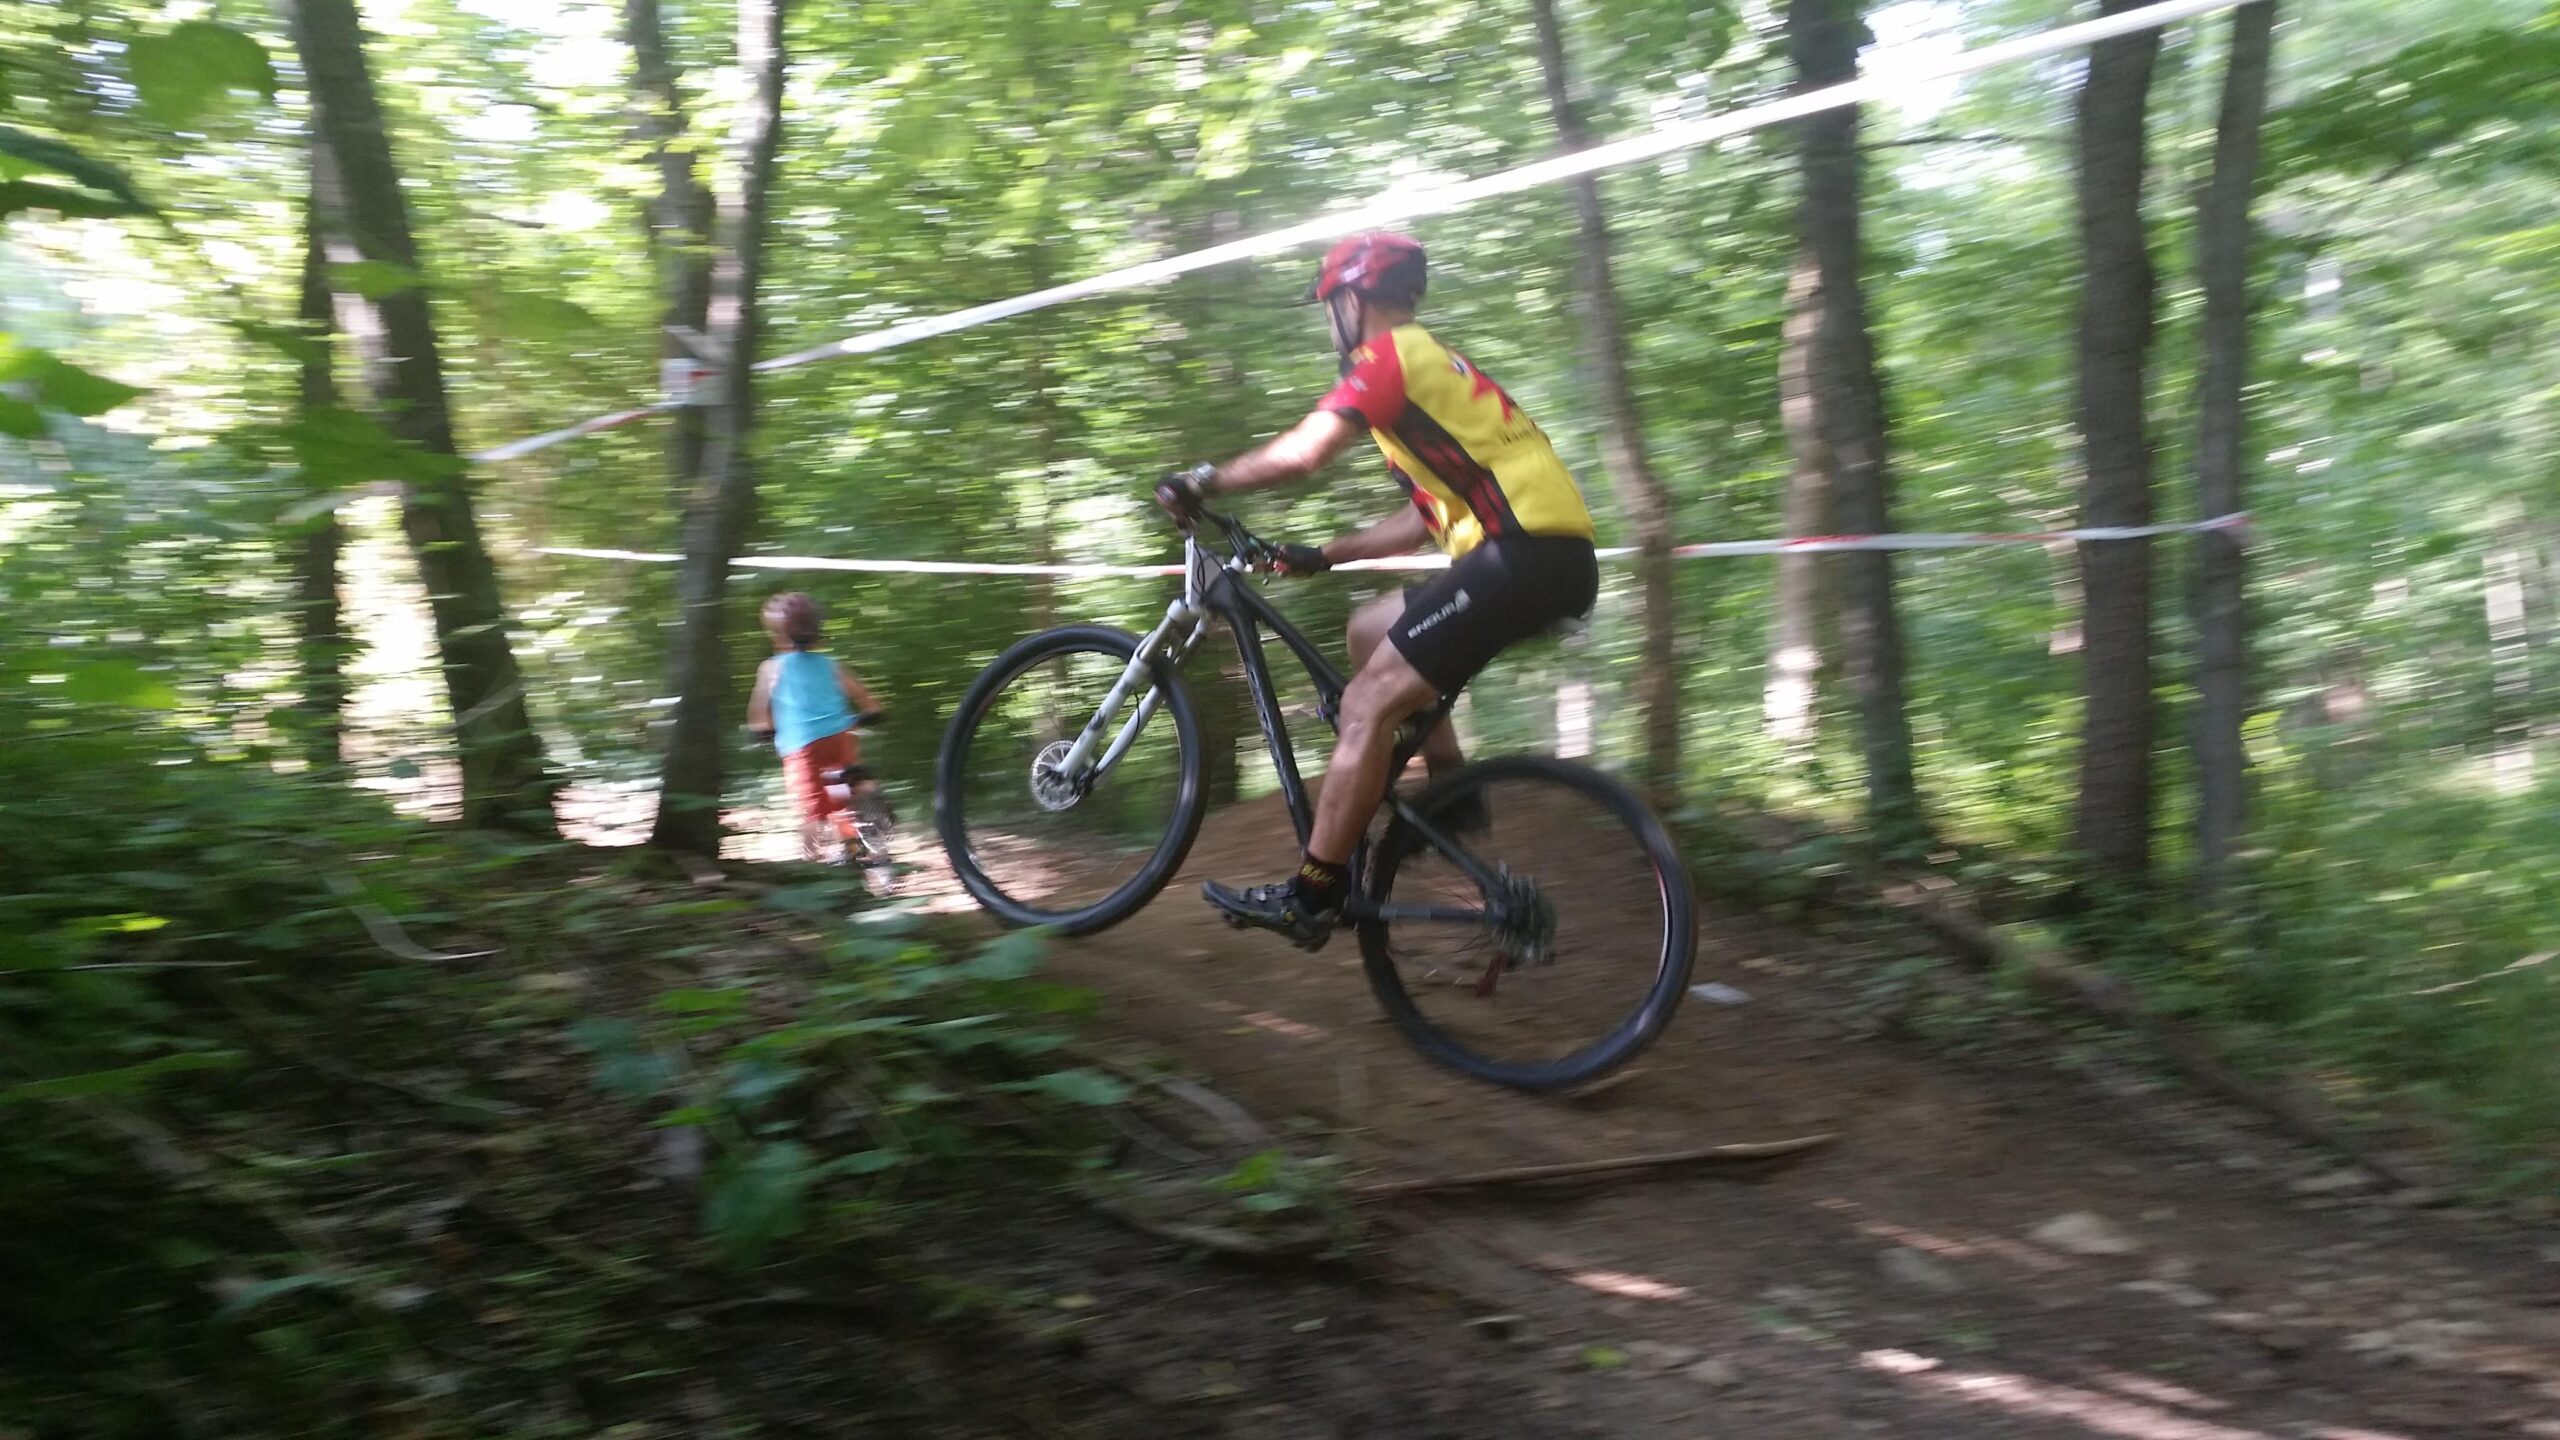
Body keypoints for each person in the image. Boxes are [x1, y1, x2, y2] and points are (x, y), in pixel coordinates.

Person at [1156, 231, 1598, 951]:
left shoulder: (1390, 358)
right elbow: (1419, 521)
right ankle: (1449, 794)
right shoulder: (1436, 376)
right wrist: (1321, 556)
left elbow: (1306, 451)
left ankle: (1312, 894)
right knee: (1369, 632)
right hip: (1537, 554)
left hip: (1520, 555)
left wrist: (1203, 480)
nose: (1329, 320)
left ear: (1353, 300)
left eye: (1329, 305)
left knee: (1366, 702)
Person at [745, 592, 886, 858]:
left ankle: (811, 864)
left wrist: (761, 731)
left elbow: (760, 709)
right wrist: (870, 713)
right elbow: (867, 700)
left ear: (776, 634)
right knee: (840, 794)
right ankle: (858, 839)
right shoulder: (831, 665)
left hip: (802, 748)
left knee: (813, 811)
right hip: (839, 739)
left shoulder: (771, 668)